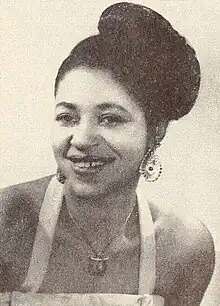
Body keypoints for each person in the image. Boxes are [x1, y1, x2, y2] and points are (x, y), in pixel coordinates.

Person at [0, 2, 215, 306]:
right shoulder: (6, 224)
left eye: (110, 118)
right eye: (67, 117)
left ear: (156, 131)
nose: (82, 139)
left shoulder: (184, 246)